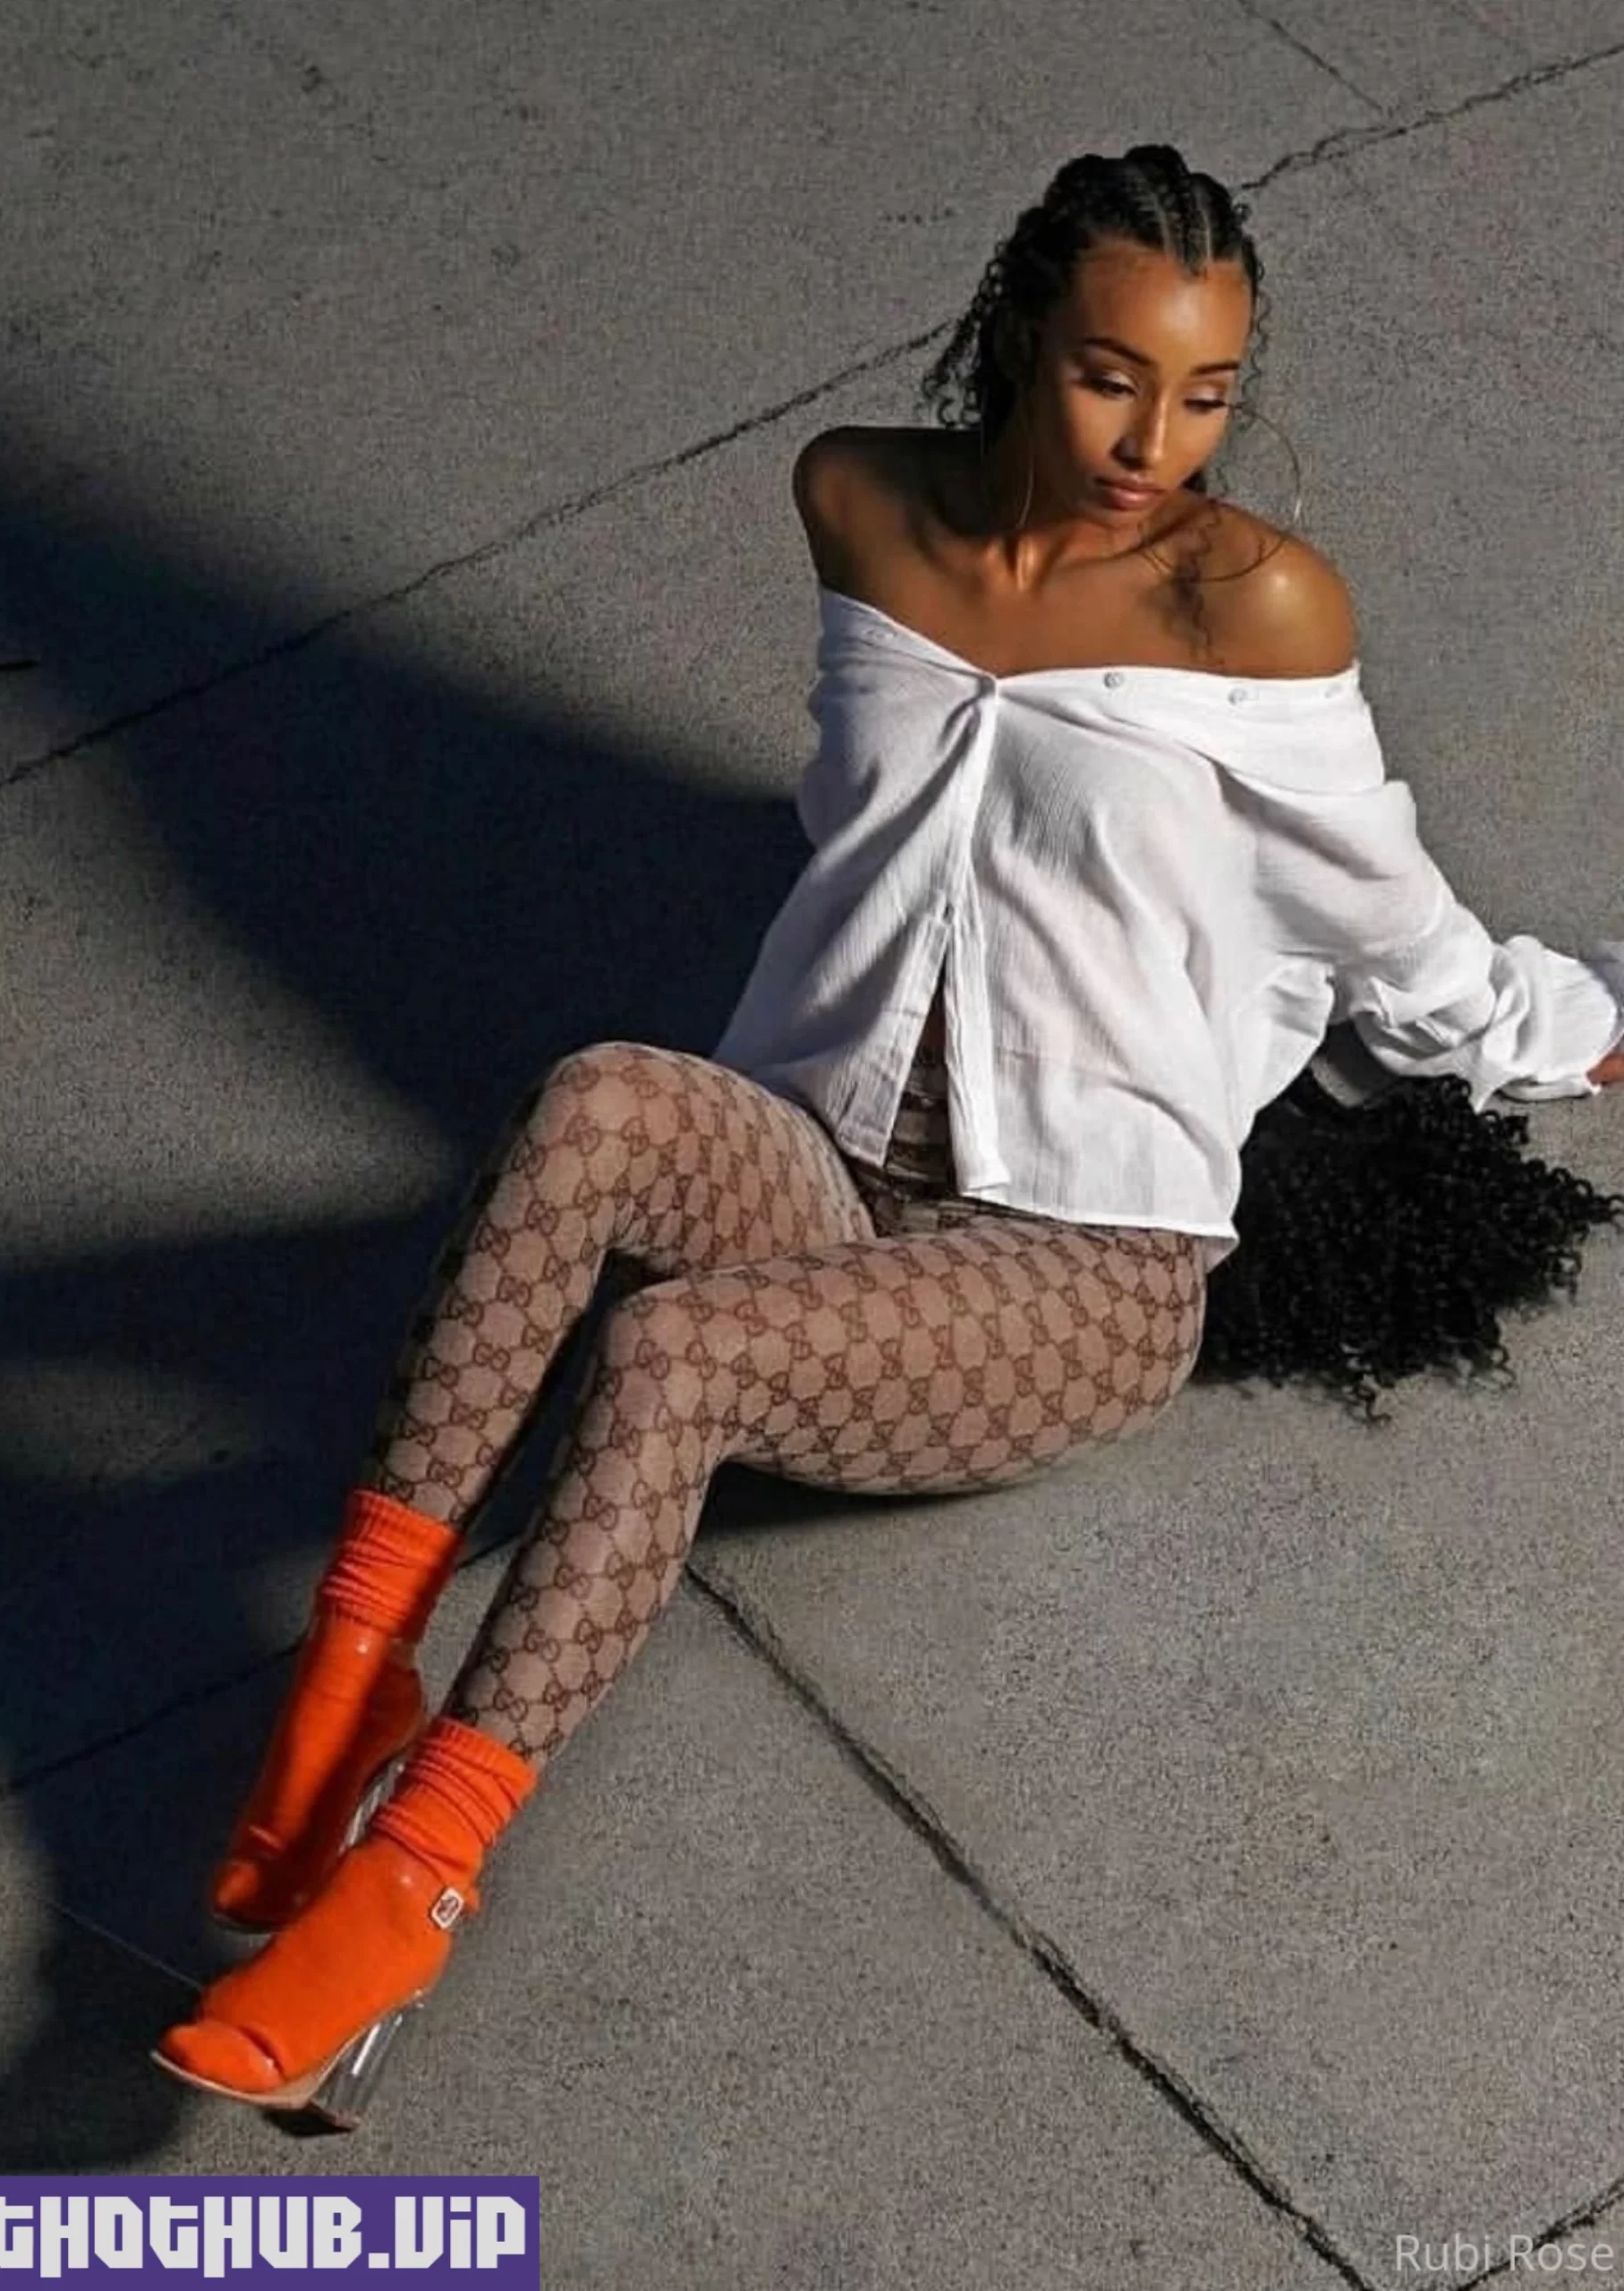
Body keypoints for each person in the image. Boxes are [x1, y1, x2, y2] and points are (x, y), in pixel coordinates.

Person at [151, 143, 1624, 2116]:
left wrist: (1578, 1027)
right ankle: (349, 1676)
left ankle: (414, 1877)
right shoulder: (855, 498)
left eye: (1204, 394)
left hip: (1079, 1260)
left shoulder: (1250, 605)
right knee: (594, 1097)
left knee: (675, 1351)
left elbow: (1400, 940)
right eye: (1110, 376)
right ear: (1019, 332)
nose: (1155, 443)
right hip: (823, 1150)